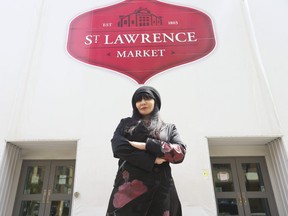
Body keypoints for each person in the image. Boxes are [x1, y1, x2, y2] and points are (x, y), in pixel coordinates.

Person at [106, 86, 186, 216]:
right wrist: (152, 159)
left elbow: (179, 153)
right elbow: (118, 147)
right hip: (129, 190)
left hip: (161, 188)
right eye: (138, 100)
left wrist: (147, 145)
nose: (142, 102)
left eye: (147, 98)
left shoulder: (169, 128)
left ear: (156, 101)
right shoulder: (126, 124)